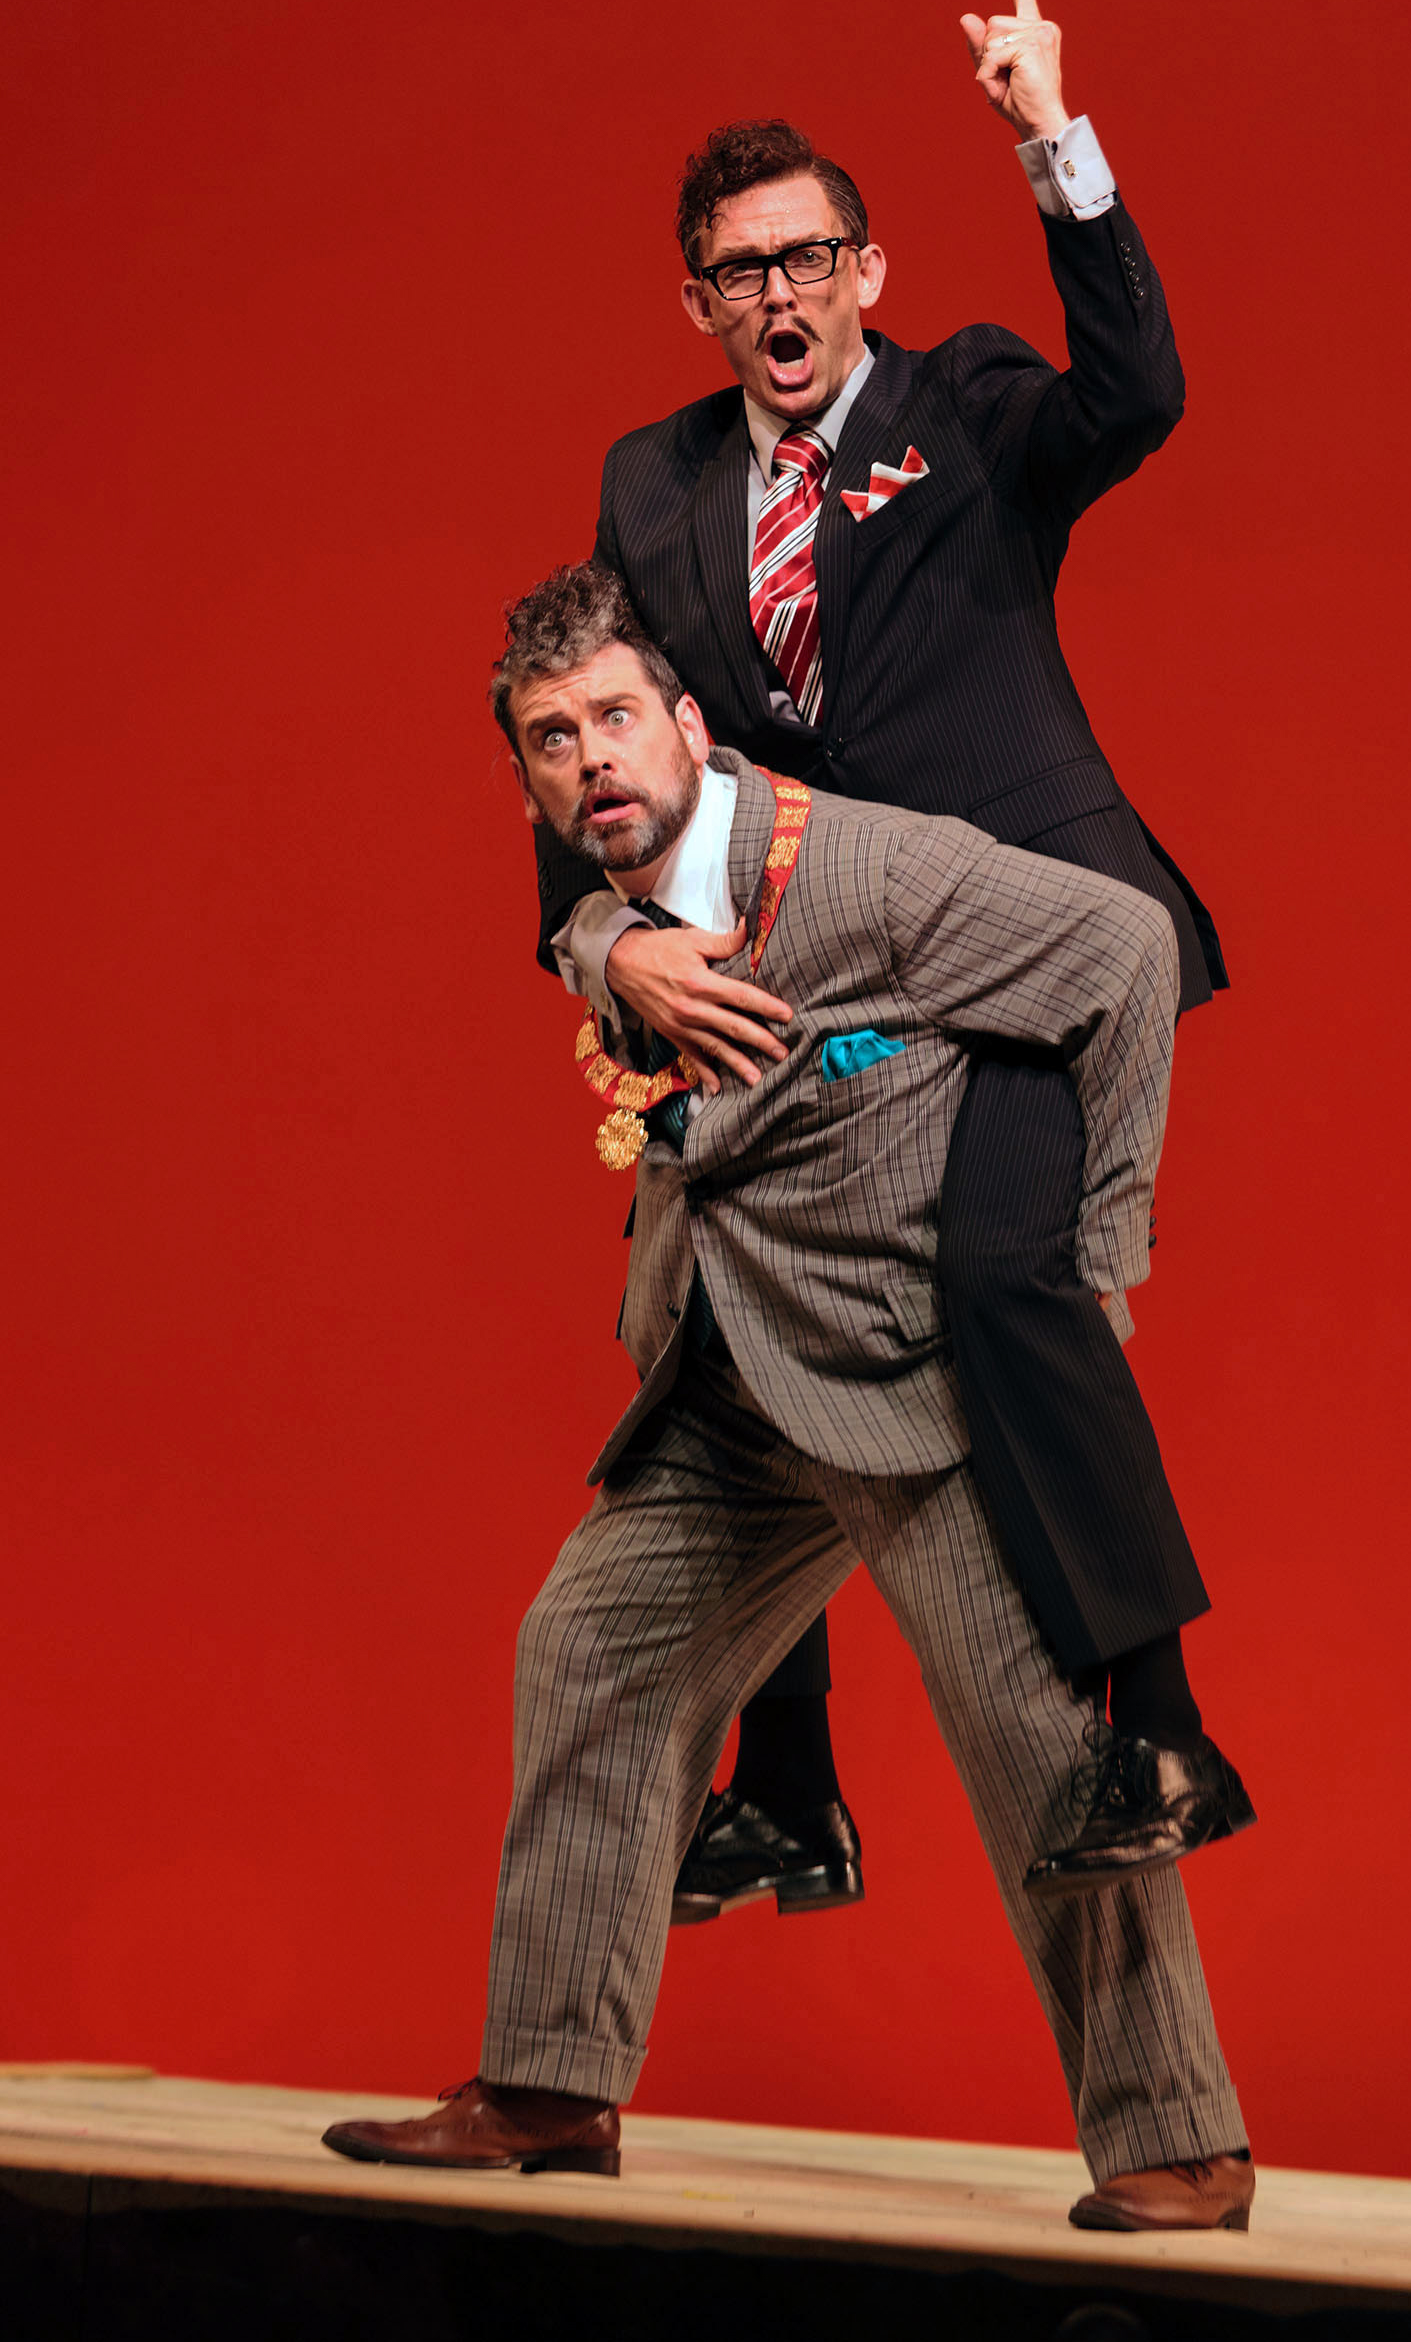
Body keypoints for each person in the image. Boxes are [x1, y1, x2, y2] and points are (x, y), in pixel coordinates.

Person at [322, 565, 1253, 2231]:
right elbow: (587, 938)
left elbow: (1124, 949)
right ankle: (548, 2085)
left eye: (616, 719)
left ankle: (1176, 2140)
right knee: (585, 1654)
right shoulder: (610, 908)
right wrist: (611, 952)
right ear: (531, 779)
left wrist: (1098, 1246)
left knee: (1041, 1750)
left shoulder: (875, 873)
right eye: (553, 740)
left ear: (687, 727)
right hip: (727, 1373)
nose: (592, 759)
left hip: (911, 1378)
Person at [537, 0, 1235, 1915]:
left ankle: (1159, 1720)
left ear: (868, 268)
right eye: (738, 268)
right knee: (724, 1277)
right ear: (696, 299)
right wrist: (604, 947)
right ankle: (792, 1780)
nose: (778, 292)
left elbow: (1143, 394)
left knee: (999, 1284)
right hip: (822, 972)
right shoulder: (652, 481)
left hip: (1025, 949)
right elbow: (593, 726)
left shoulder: (975, 403)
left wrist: (1051, 139)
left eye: (807, 256)